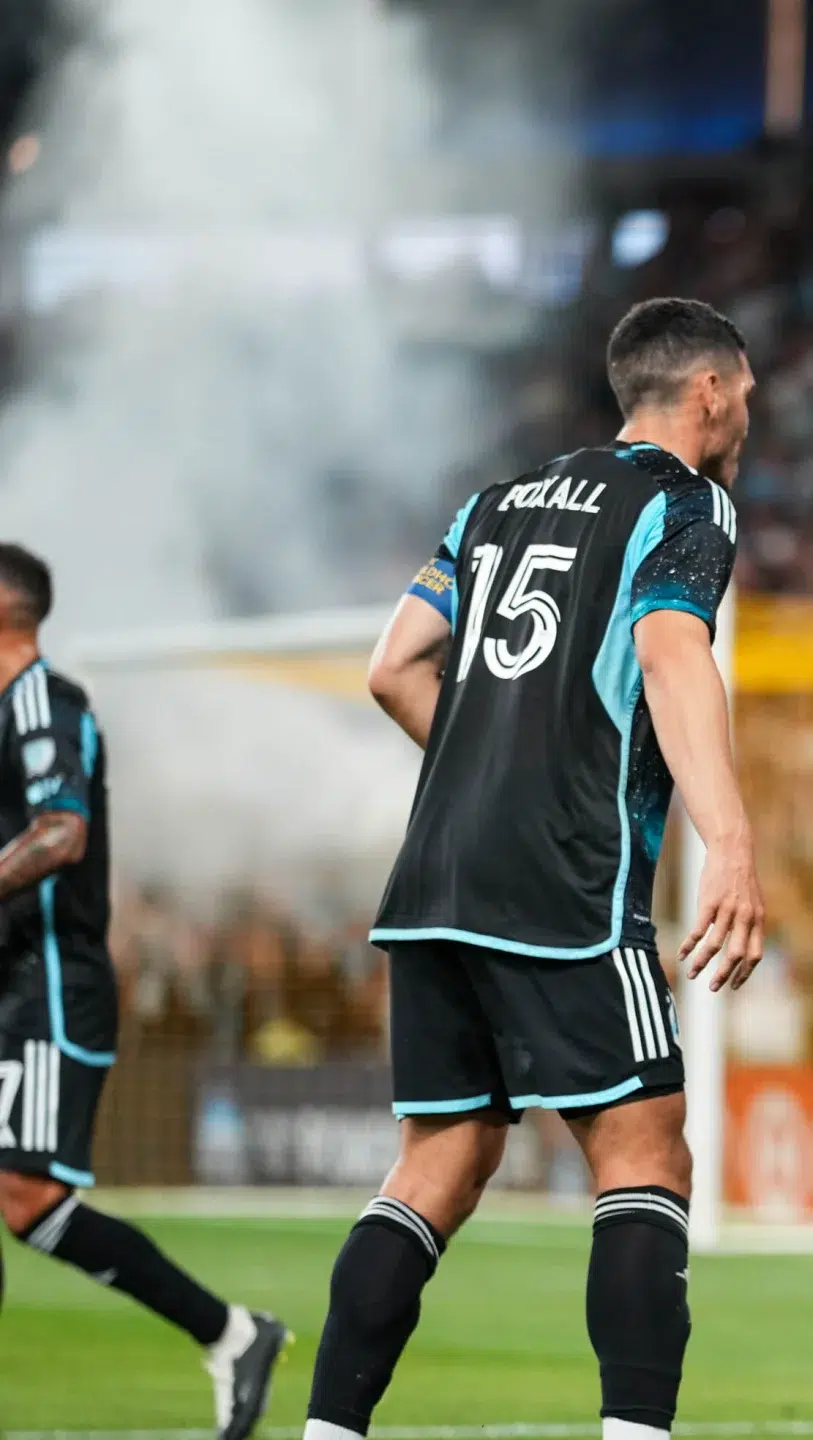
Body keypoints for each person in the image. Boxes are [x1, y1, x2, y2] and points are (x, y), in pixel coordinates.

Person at [306, 298, 767, 1440]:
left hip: (436, 874)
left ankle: (326, 1433)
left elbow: (393, 666)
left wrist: (488, 771)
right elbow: (671, 651)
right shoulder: (685, 501)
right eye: (746, 391)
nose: (751, 412)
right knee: (645, 1153)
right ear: (707, 390)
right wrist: (732, 843)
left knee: (439, 1162)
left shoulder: (495, 504)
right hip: (564, 876)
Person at [0, 544, 288, 1440]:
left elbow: (61, 832)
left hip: (45, 984)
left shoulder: (47, 700)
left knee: (24, 1197)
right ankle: (232, 1335)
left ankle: (231, 1333)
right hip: (11, 981)